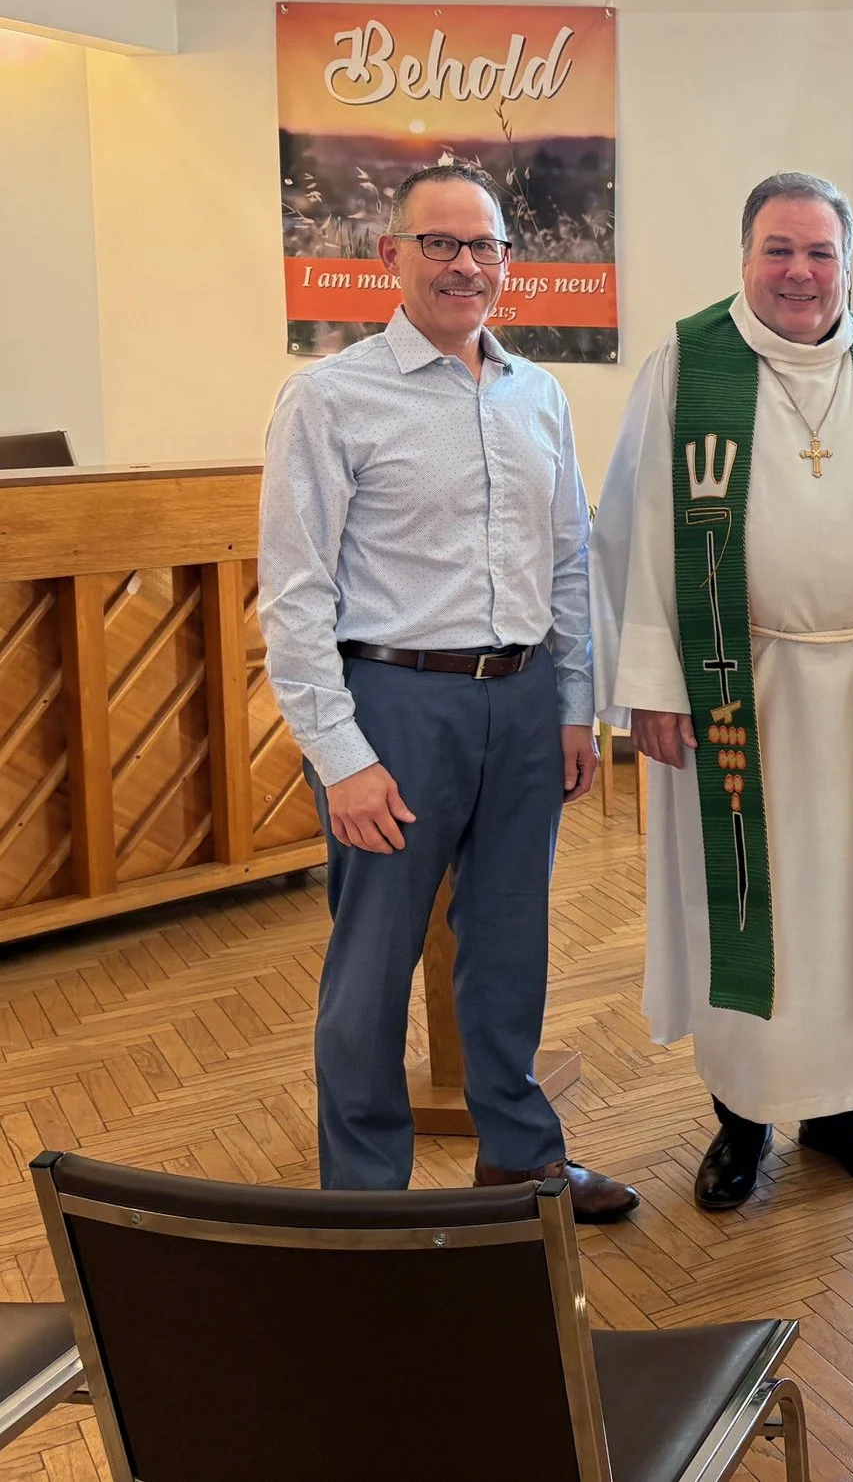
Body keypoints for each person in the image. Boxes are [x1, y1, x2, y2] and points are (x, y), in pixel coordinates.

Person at [590, 171, 853, 1209]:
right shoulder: (689, 363)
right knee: (747, 911)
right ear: (745, 257)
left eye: (819, 253)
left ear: (845, 264)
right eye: (779, 250)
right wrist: (651, 682)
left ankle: (842, 1112)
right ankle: (739, 1121)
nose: (800, 273)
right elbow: (630, 527)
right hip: (736, 691)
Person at [259, 159, 634, 1219]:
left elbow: (568, 561)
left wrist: (571, 708)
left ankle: (520, 1156)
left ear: (509, 263)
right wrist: (342, 757)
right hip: (393, 706)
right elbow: (292, 596)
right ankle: (365, 1198)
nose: (464, 264)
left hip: (520, 703)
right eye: (439, 242)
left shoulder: (539, 395)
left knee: (510, 944)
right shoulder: (329, 400)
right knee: (371, 967)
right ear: (390, 254)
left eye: (484, 246)